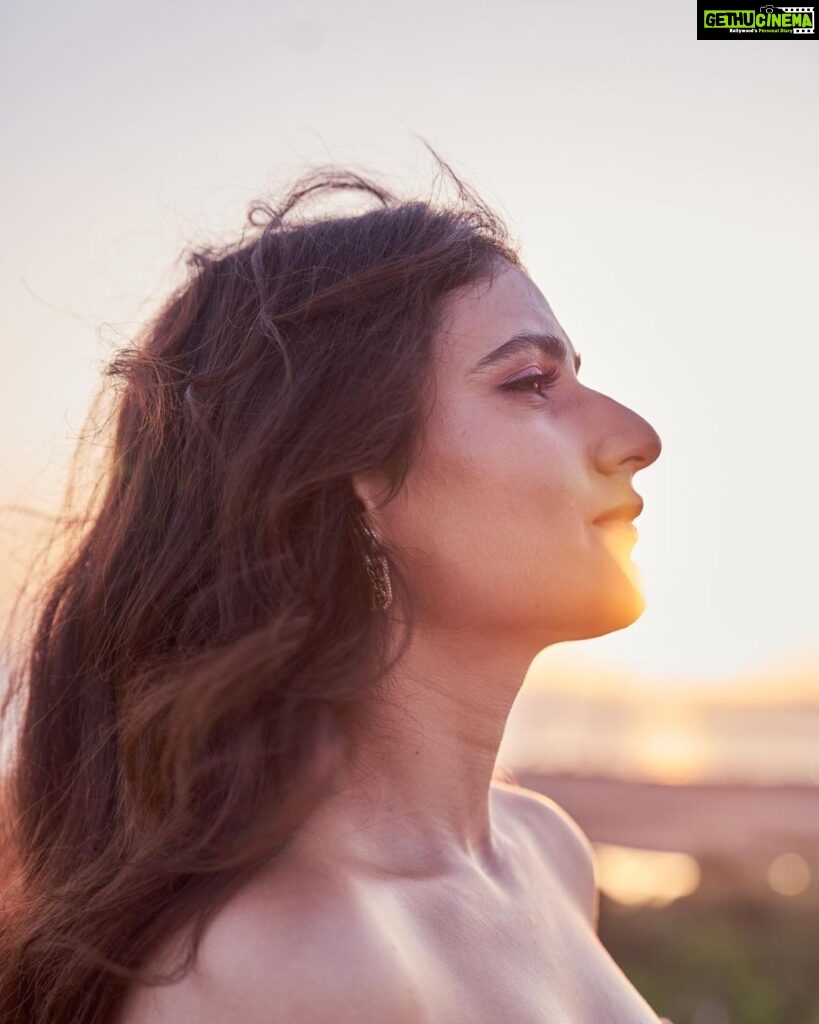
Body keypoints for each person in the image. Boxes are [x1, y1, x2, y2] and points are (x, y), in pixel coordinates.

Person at [0, 152, 667, 1023]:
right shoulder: (274, 967)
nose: (637, 435)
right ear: (353, 473)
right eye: (530, 382)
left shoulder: (546, 854)